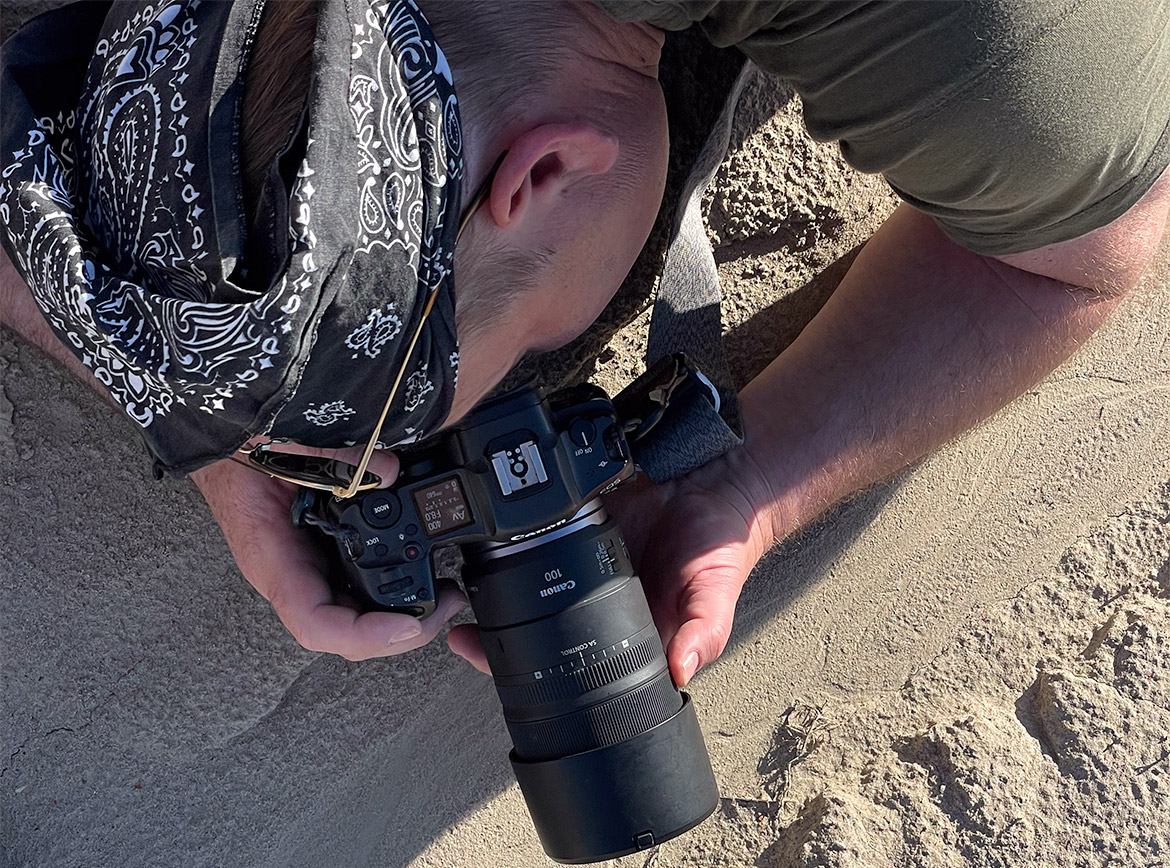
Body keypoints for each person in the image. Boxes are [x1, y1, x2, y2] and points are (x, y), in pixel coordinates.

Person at [3, 0, 1168, 689]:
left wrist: (748, 484)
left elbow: (1085, 253)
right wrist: (218, 422)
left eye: (509, 355)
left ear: (545, 171)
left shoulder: (999, 51)